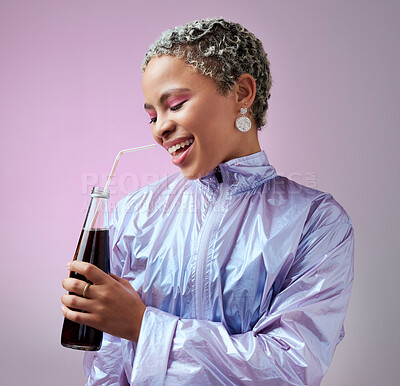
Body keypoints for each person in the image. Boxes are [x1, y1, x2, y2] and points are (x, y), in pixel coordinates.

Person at [61, 18, 354, 385]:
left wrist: (143, 326)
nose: (159, 128)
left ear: (242, 93)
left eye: (177, 104)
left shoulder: (316, 221)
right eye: (152, 115)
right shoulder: (135, 214)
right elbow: (109, 362)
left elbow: (289, 366)